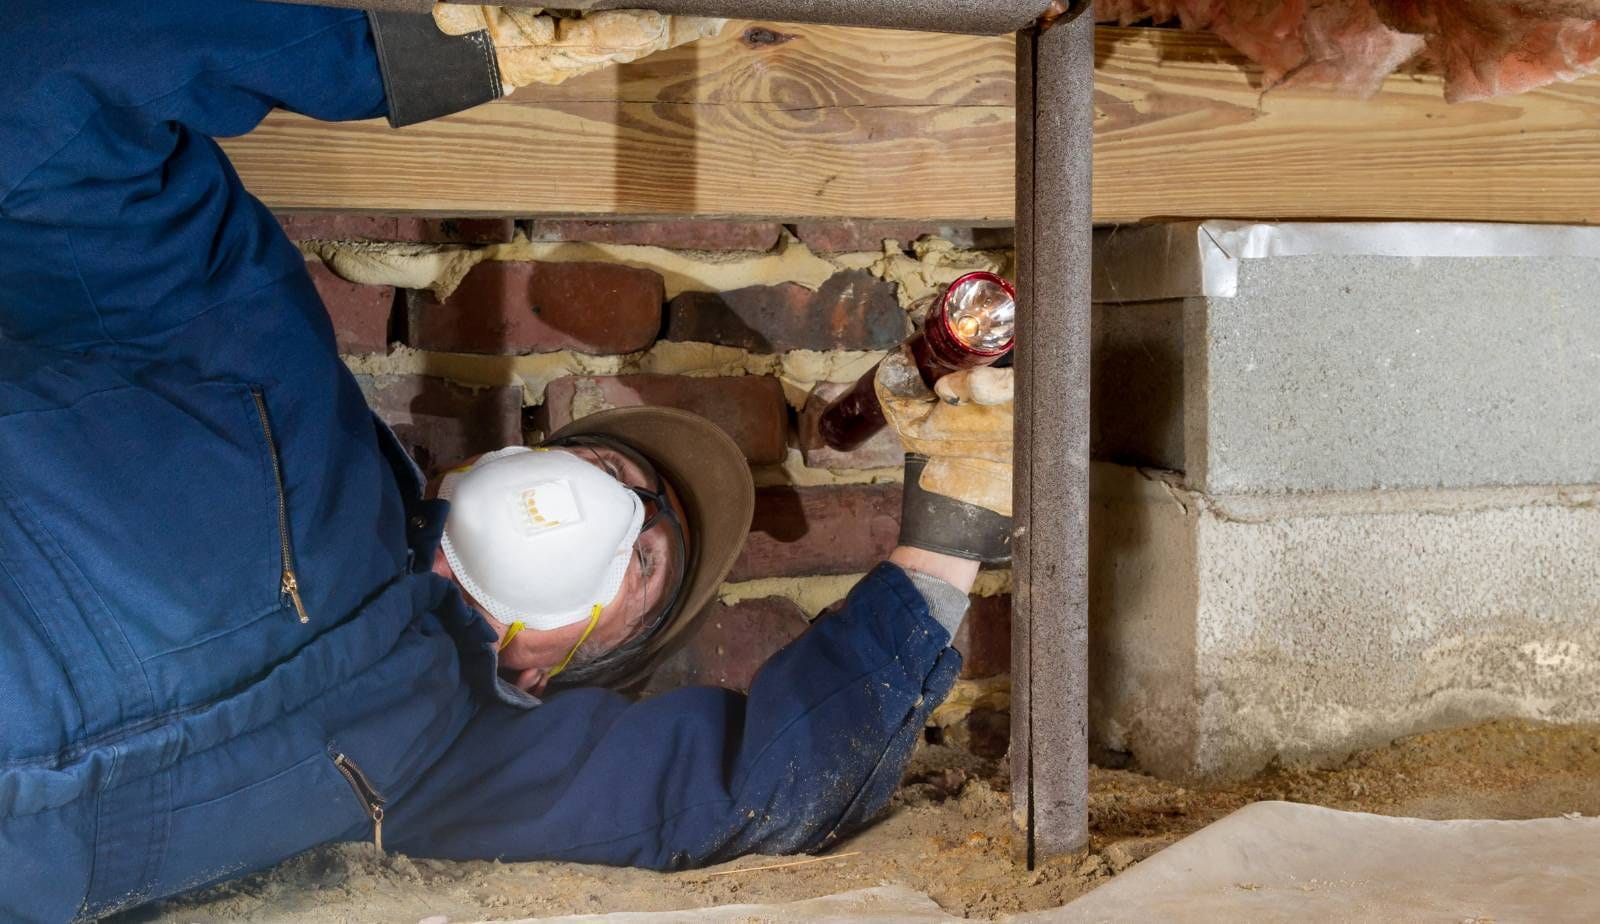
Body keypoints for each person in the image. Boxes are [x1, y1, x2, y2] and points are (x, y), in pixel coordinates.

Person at [0, 3, 1015, 921]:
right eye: (614, 471)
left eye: (647, 554)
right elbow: (48, 95)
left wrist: (950, 536)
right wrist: (436, 54)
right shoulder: (266, 367)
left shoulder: (459, 763)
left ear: (558, 665)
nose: (621, 500)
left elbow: (752, 789)